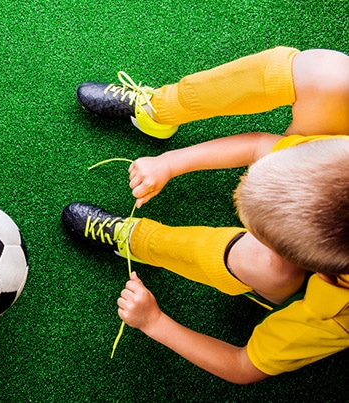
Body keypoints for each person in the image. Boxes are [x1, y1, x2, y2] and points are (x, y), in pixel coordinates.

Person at [63, 46, 349, 384]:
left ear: (328, 277)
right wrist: (170, 162)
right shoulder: (333, 164)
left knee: (265, 264)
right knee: (329, 74)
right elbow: (258, 147)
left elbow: (244, 367)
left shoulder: (338, 318)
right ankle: (157, 110)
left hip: (305, 286)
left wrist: (154, 322)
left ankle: (136, 240)